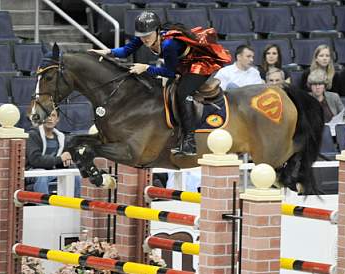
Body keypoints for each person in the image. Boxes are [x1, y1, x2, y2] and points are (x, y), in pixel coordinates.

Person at [89, 11, 231, 156]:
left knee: (182, 93)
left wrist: (146, 68)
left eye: (148, 35)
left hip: (199, 64)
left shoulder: (169, 44)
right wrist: (105, 52)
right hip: (180, 64)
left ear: (157, 31)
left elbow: (170, 72)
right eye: (141, 36)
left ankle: (190, 141)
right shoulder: (144, 37)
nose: (144, 39)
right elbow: (125, 51)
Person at [25, 108, 81, 197]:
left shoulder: (61, 137)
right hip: (33, 171)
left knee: (74, 173)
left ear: (57, 119)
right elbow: (35, 160)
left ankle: (74, 207)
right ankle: (43, 208)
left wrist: (68, 159)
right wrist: (60, 159)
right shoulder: (33, 135)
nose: (49, 118)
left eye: (53, 115)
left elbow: (61, 162)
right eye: (46, 115)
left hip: (52, 171)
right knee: (42, 176)